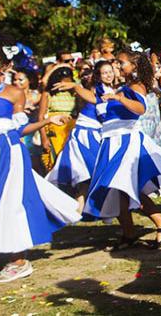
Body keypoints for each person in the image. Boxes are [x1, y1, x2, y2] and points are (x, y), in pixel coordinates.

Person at [0, 38, 80, 282]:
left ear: (3, 68)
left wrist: (45, 122)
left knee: (8, 204)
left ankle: (19, 261)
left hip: (6, 153)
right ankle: (5, 251)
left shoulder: (14, 93)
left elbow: (19, 129)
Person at [84, 50, 161, 250]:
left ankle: (160, 225)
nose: (117, 66)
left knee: (124, 185)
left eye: (121, 63)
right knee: (122, 188)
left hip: (126, 142)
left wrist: (119, 99)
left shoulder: (136, 86)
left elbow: (141, 108)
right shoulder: (124, 86)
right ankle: (132, 233)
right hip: (113, 140)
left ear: (135, 66)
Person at [46, 61, 114, 212]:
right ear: (98, 75)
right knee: (97, 170)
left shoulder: (112, 89)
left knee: (87, 173)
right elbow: (93, 99)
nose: (109, 75)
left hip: (95, 133)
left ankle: (80, 208)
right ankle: (103, 208)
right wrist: (76, 87)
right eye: (105, 72)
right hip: (86, 133)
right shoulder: (98, 88)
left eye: (110, 71)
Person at [37, 66, 77, 172]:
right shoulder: (47, 94)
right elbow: (41, 116)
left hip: (70, 131)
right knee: (54, 163)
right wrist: (44, 138)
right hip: (54, 132)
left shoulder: (75, 93)